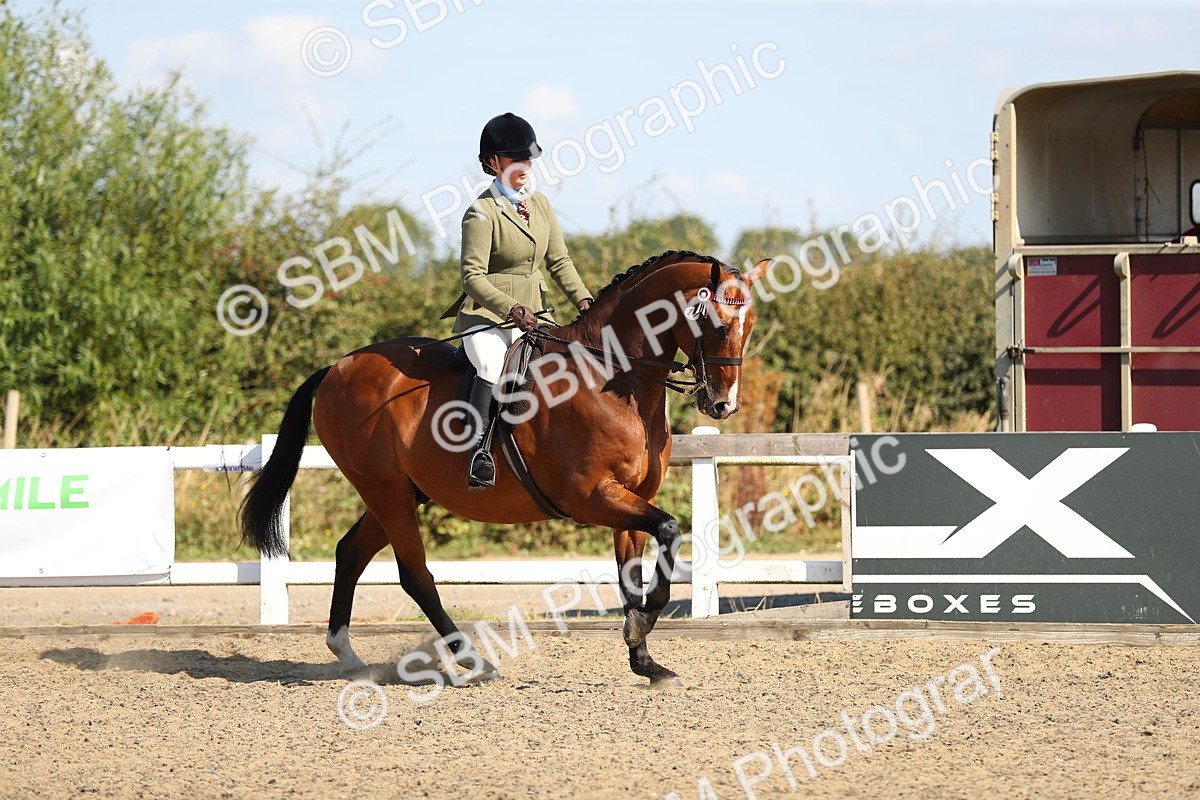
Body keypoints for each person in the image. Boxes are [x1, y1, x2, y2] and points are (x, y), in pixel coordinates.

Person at [439, 112, 594, 491]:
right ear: (493, 163)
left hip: (537, 314)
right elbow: (471, 276)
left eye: (528, 159)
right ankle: (478, 454)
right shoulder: (481, 212)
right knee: (491, 366)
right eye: (515, 159)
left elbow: (559, 261)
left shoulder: (540, 205)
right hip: (487, 317)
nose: (525, 166)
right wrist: (510, 308)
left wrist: (585, 300)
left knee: (568, 364)